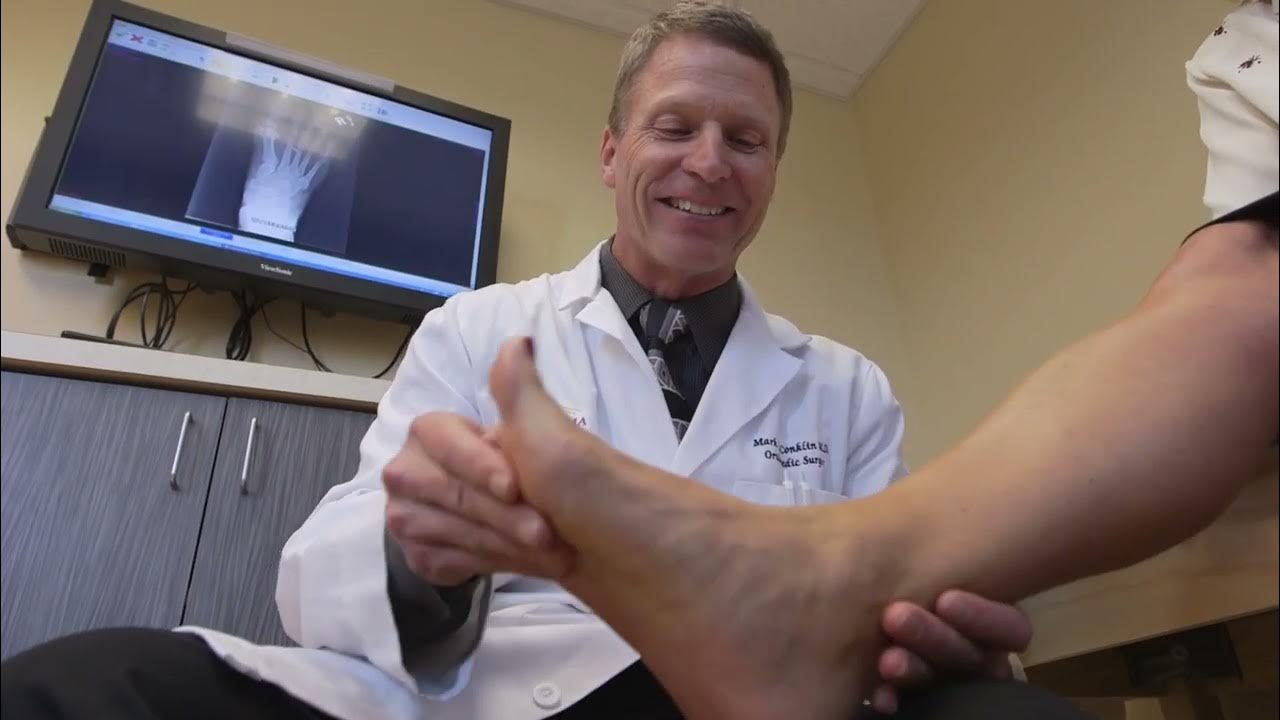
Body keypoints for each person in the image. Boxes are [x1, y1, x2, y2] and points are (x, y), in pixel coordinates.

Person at [0, 3, 1030, 719]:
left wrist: (930, 641)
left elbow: (902, 602)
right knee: (89, 687)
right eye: (674, 126)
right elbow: (313, 578)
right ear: (611, 153)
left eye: (745, 139)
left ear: (771, 171)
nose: (709, 161)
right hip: (500, 693)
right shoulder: (477, 329)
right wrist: (422, 555)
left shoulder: (844, 389)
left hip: (759, 699)